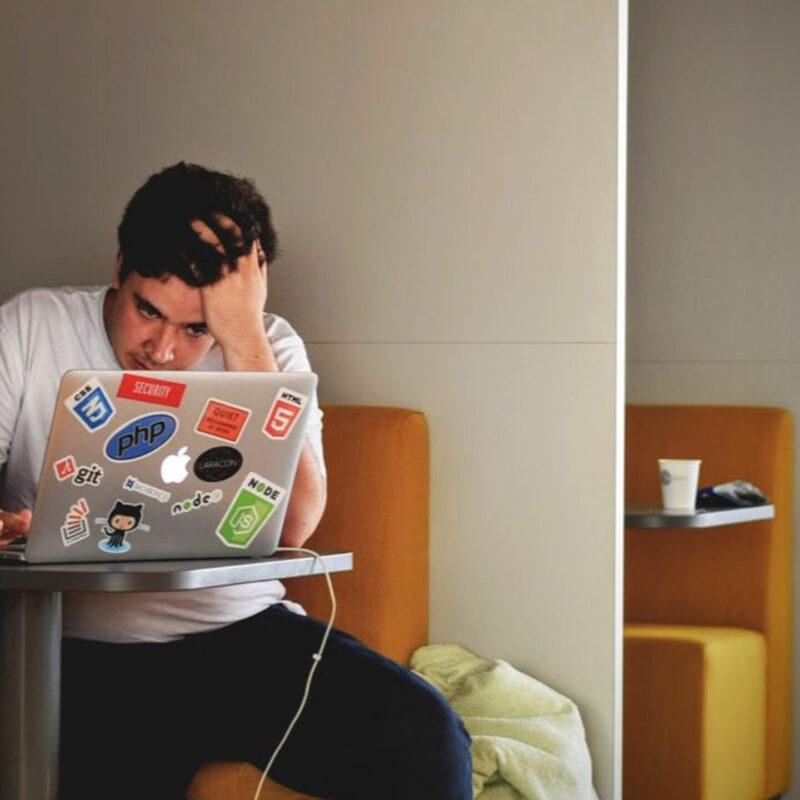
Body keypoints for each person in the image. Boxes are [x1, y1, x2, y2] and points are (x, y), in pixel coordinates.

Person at [0, 162, 472, 800]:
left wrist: (244, 336)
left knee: (427, 736)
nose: (162, 349)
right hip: (77, 650)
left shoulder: (267, 345)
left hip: (239, 638)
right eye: (148, 310)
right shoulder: (32, 327)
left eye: (196, 328)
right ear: (118, 269)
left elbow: (296, 523)